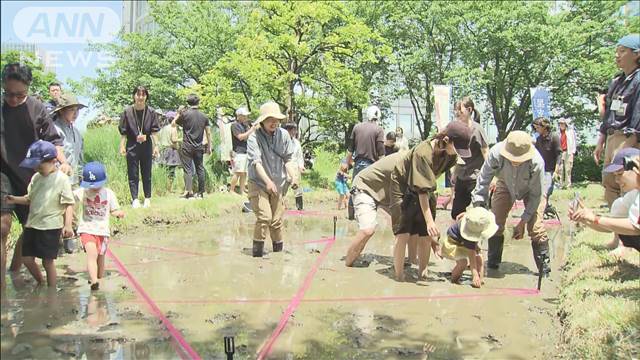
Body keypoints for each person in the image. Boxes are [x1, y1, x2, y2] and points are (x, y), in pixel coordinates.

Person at [344, 121, 472, 282]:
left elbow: (427, 190)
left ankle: (412, 263)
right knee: (368, 230)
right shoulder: (421, 155)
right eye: (457, 148)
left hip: (396, 189)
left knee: (414, 226)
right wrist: (431, 227)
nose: (457, 153)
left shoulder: (446, 155)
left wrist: (434, 240)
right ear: (446, 140)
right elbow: (422, 191)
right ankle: (347, 267)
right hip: (367, 187)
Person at [1, 63, 70, 287]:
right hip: (3, 172)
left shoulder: (37, 108)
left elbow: (53, 140)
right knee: (3, 226)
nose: (12, 99)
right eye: (8, 94)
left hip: (32, 174)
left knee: (30, 224)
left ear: (28, 88)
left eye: (18, 95)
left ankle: (14, 270)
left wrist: (63, 162)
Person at [470, 131, 551, 276]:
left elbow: (535, 196)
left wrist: (523, 222)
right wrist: (479, 206)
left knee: (536, 227)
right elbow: (483, 180)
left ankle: (544, 269)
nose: (515, 160)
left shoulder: (537, 163)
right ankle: (493, 263)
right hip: (505, 184)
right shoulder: (496, 153)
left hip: (531, 190)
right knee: (495, 222)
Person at [4, 140, 74, 287]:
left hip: (50, 226)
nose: (36, 168)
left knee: (47, 262)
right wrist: (13, 199)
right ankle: (41, 282)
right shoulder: (36, 178)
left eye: (39, 165)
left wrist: (68, 225)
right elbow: (29, 199)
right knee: (27, 259)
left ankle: (51, 290)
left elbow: (69, 203)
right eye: (33, 166)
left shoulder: (61, 179)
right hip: (32, 224)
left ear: (54, 161)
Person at [593, 34, 640, 207]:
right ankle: (617, 231)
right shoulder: (617, 81)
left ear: (636, 54)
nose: (617, 55)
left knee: (626, 181)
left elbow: (638, 114)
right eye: (616, 51)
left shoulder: (638, 80)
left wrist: (629, 145)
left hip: (628, 139)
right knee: (610, 181)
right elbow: (609, 115)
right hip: (612, 137)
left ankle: (630, 229)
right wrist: (601, 141)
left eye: (622, 51)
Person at [247, 102, 298, 257]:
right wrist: (268, 182)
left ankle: (278, 255)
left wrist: (294, 176)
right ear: (262, 121)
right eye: (270, 119)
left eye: (276, 119)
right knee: (264, 217)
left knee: (276, 221)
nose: (274, 122)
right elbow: (256, 163)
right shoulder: (253, 138)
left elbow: (288, 159)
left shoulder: (283, 135)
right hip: (259, 183)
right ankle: (257, 255)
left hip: (278, 183)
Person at [570, 152, 640, 252]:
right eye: (615, 175)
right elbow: (612, 227)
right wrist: (585, 218)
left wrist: (595, 218)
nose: (617, 180)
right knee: (618, 207)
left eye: (620, 174)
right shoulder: (633, 195)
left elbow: (635, 227)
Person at [74, 162, 125, 290]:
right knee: (92, 254)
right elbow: (69, 197)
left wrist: (118, 213)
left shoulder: (108, 194)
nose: (94, 189)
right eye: (91, 186)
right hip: (87, 229)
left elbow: (114, 210)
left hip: (102, 232)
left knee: (101, 257)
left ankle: (100, 279)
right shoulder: (83, 191)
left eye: (97, 185)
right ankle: (94, 280)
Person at [118, 85, 160, 208]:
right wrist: (122, 146)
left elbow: (154, 132)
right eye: (138, 94)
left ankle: (147, 198)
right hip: (132, 144)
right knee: (133, 173)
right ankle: (135, 198)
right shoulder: (127, 112)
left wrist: (156, 146)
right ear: (134, 96)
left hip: (146, 145)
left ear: (146, 97)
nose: (140, 97)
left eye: (143, 94)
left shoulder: (151, 112)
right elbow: (124, 132)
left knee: (147, 172)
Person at [451, 97, 489, 219]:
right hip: (462, 176)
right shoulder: (456, 130)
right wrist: (454, 173)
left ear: (469, 110)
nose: (457, 113)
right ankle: (458, 236)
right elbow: (456, 155)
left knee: (478, 213)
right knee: (456, 213)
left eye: (460, 110)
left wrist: (490, 176)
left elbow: (485, 152)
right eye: (455, 110)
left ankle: (477, 236)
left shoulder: (477, 129)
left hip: (475, 177)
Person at [440, 207, 497, 288]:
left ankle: (480, 280)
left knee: (480, 257)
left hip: (465, 241)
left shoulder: (474, 220)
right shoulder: (469, 232)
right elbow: (471, 257)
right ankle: (454, 280)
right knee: (463, 262)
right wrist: (474, 274)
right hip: (453, 243)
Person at [346, 105, 385, 219]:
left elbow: (350, 149)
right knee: (372, 191)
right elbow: (381, 153)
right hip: (371, 166)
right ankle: (369, 215)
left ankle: (351, 216)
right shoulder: (379, 130)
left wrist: (346, 164)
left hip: (358, 164)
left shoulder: (357, 127)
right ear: (377, 117)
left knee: (354, 189)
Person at [172, 94, 212, 199]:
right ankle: (201, 192)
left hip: (187, 146)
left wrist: (179, 113)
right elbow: (208, 133)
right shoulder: (204, 116)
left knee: (187, 169)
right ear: (198, 102)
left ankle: (188, 191)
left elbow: (173, 123)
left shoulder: (185, 115)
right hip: (199, 147)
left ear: (188, 103)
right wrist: (209, 146)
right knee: (200, 168)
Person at [53, 94, 86, 186]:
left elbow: (80, 157)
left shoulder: (76, 132)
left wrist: (81, 175)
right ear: (61, 111)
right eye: (71, 110)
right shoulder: (54, 130)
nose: (75, 113)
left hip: (75, 179)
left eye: (77, 110)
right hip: (59, 180)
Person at [230, 107, 259, 194]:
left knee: (244, 173)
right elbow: (240, 137)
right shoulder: (234, 125)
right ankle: (231, 190)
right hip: (238, 151)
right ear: (239, 116)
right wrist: (251, 129)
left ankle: (242, 191)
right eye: (244, 116)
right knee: (237, 172)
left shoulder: (245, 125)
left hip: (246, 151)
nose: (246, 117)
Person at [533, 117, 562, 199]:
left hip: (551, 170)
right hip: (541, 170)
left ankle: (544, 207)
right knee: (539, 193)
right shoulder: (538, 139)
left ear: (544, 127)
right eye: (535, 128)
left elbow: (559, 155)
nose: (537, 130)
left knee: (546, 192)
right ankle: (545, 207)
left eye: (538, 128)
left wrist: (556, 171)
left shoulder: (554, 137)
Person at [157, 111, 182, 192]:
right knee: (171, 172)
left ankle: (161, 187)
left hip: (162, 150)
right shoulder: (173, 128)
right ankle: (169, 189)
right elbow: (174, 140)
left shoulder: (162, 128)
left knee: (163, 170)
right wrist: (181, 140)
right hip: (171, 151)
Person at [282, 123, 305, 210]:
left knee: (297, 189)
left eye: (295, 130)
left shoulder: (296, 142)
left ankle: (300, 207)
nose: (295, 132)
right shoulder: (281, 141)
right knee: (283, 189)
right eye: (293, 130)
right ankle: (281, 206)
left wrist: (301, 166)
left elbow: (299, 156)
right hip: (284, 167)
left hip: (295, 167)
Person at [557, 118, 577, 188]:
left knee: (568, 169)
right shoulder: (558, 133)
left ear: (565, 124)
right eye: (560, 124)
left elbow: (574, 142)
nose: (561, 125)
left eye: (562, 124)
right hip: (560, 152)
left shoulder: (570, 131)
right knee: (560, 169)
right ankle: (560, 184)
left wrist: (573, 152)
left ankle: (568, 185)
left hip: (568, 151)